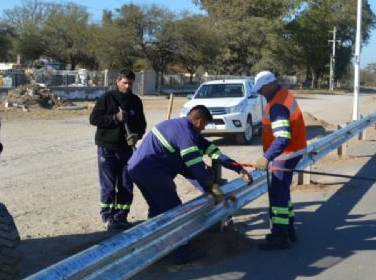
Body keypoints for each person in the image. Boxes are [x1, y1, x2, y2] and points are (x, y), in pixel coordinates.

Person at [127, 105, 252, 264]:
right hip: (151, 171)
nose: (204, 129)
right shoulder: (185, 134)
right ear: (199, 121)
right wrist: (211, 185)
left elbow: (213, 153)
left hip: (137, 169)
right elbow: (194, 165)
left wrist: (238, 168)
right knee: (174, 209)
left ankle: (155, 247)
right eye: (205, 125)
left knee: (157, 209)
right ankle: (181, 252)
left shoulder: (184, 128)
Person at [250, 71, 307, 250]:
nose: (260, 93)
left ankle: (280, 236)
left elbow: (282, 137)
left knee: (277, 196)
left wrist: (267, 157)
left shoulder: (278, 106)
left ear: (270, 85)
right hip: (293, 152)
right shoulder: (282, 95)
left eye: (261, 89)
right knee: (282, 192)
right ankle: (289, 229)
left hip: (286, 155)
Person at [89, 69, 146, 231]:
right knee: (108, 185)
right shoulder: (107, 98)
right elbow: (94, 119)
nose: (127, 86)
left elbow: (141, 124)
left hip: (126, 150)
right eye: (124, 83)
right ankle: (107, 217)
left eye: (130, 83)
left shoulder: (136, 101)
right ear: (118, 81)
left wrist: (136, 136)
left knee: (126, 184)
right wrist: (115, 118)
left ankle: (121, 216)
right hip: (107, 148)